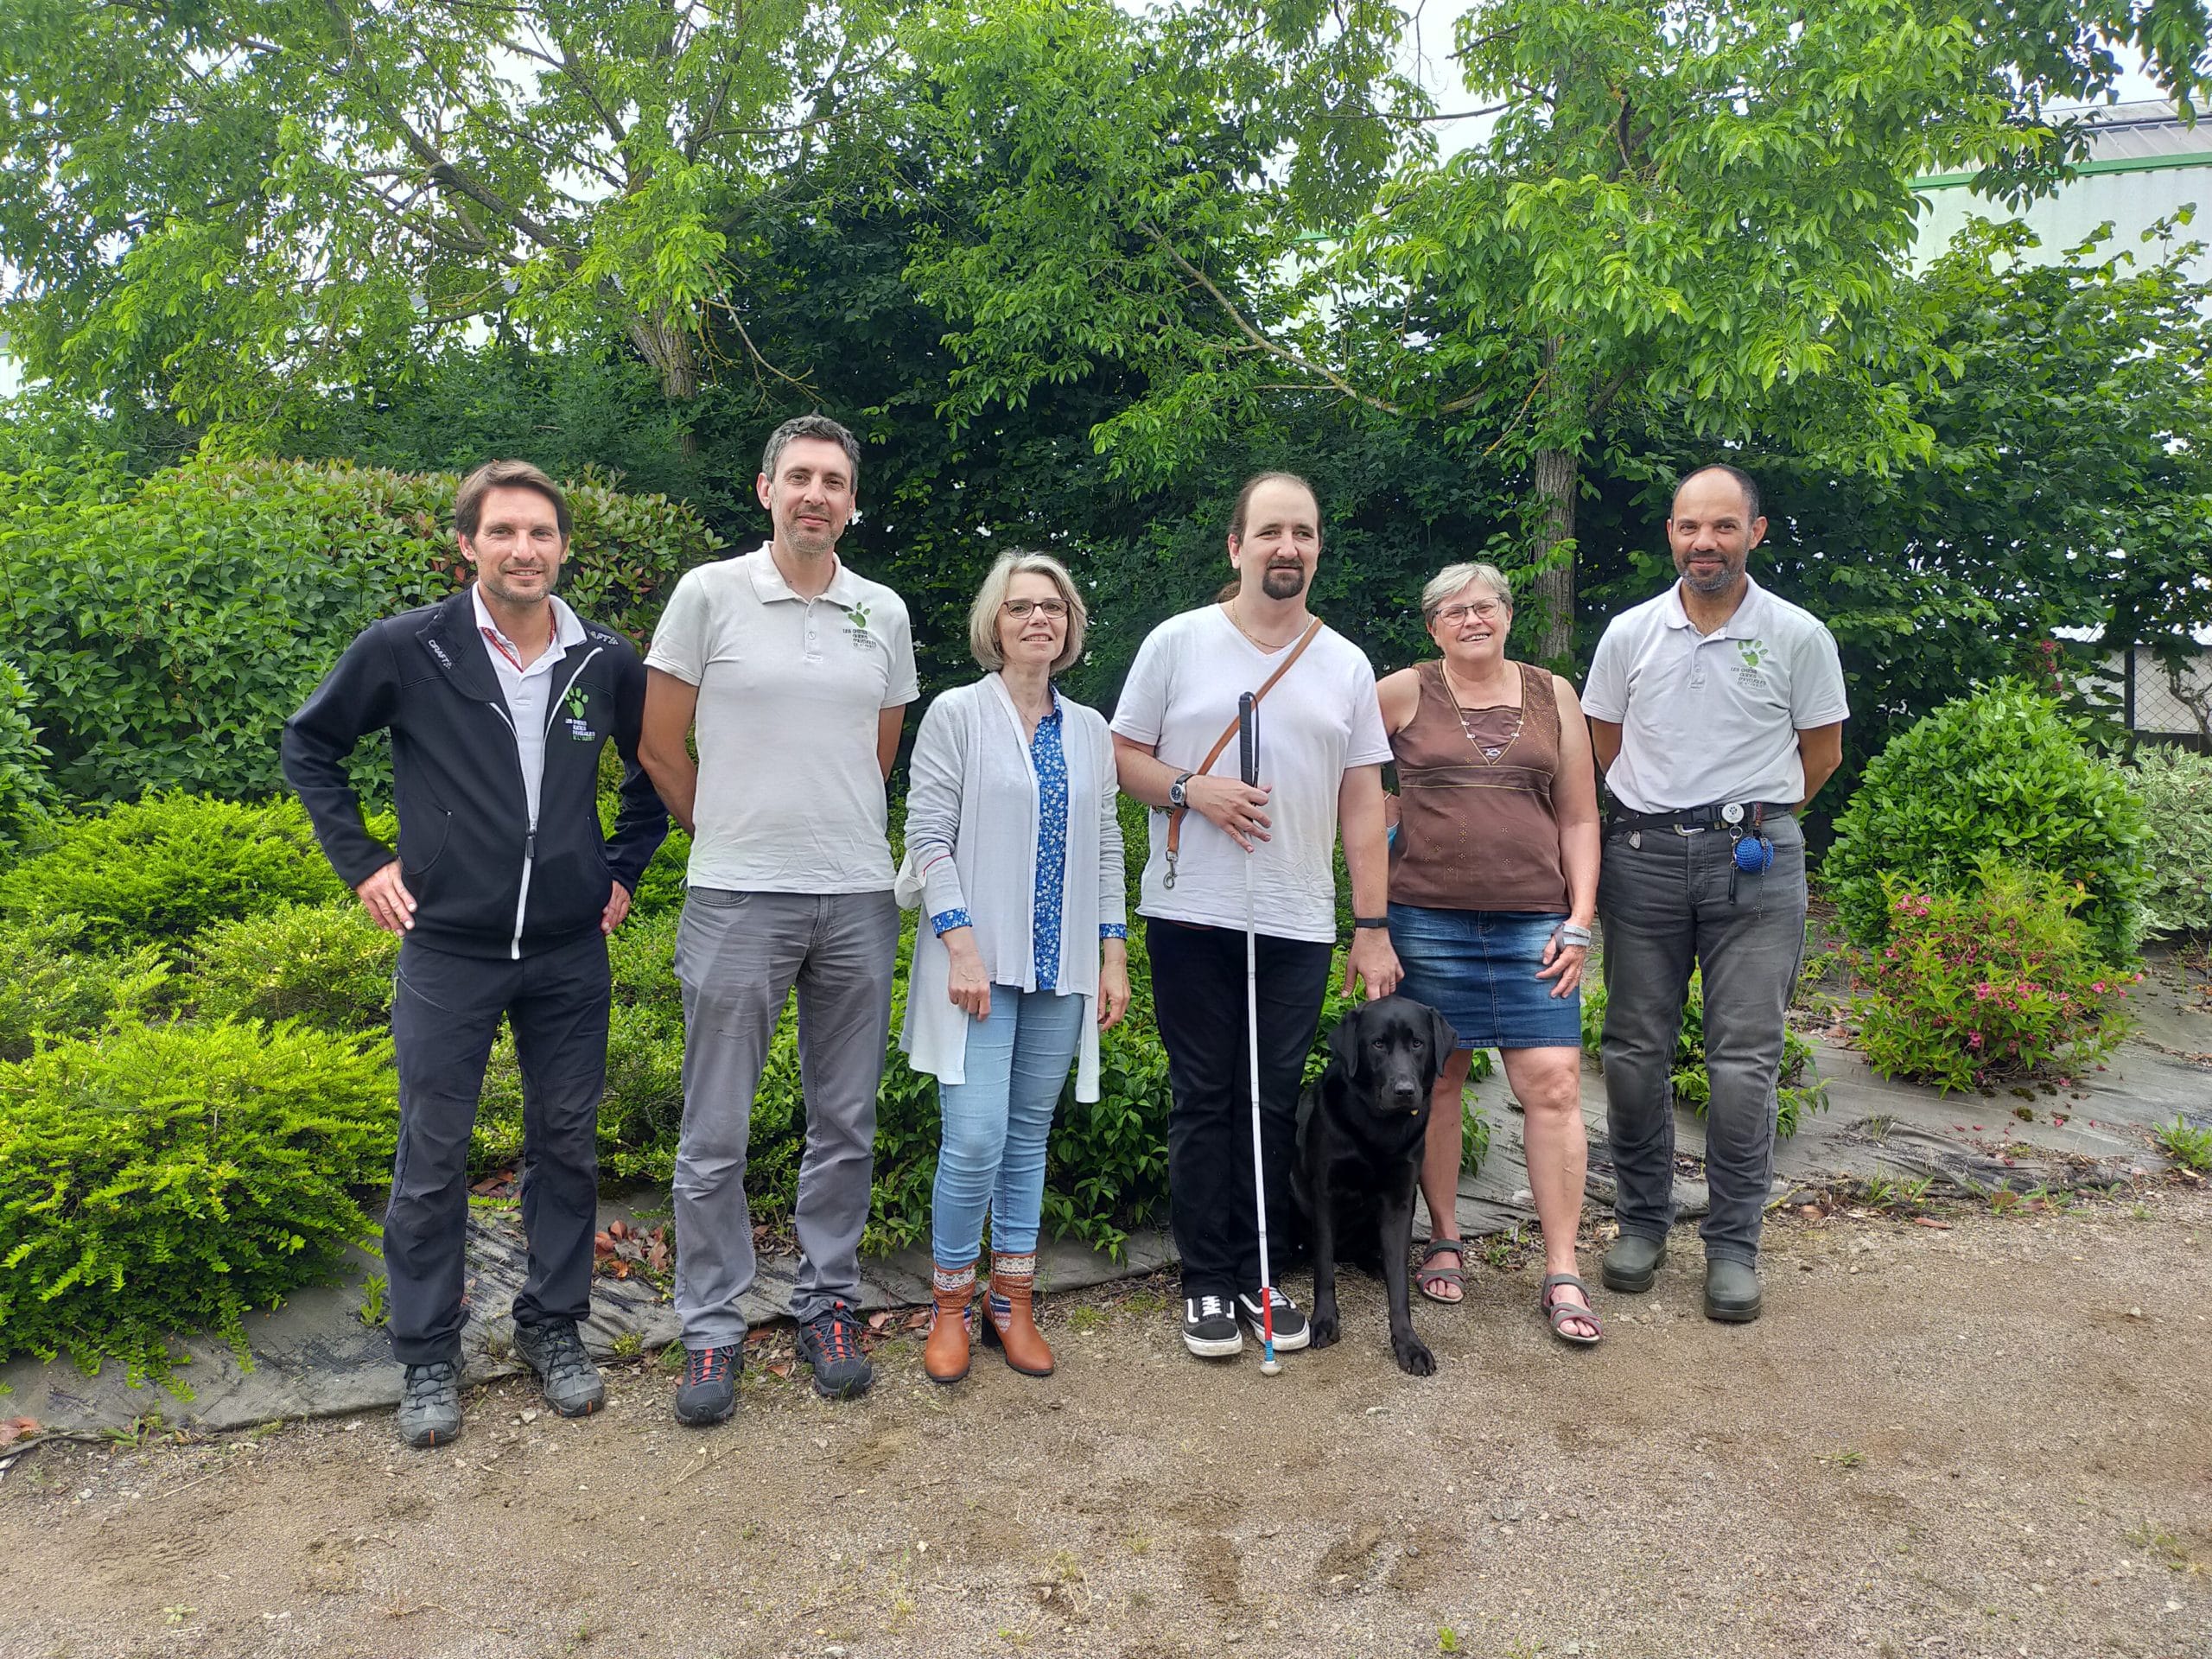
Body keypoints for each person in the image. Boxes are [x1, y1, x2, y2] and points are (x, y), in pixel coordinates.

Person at [283, 460, 667, 1448]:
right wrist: (365, 862)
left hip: (570, 951)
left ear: (564, 546)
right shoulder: (409, 650)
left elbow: (656, 772)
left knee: (567, 1146)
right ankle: (425, 1357)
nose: (523, 550)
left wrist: (619, 869)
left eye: (540, 533)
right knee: (434, 1154)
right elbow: (309, 746)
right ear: (467, 545)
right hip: (447, 946)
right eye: (502, 533)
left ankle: (553, 1327)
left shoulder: (604, 660)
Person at [639, 414, 918, 1424]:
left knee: (843, 1121)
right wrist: (728, 835)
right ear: (765, 489)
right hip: (735, 897)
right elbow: (661, 745)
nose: (816, 494)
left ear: (852, 501)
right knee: (714, 1130)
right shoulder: (708, 593)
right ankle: (711, 1331)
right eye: (798, 476)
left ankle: (827, 1304)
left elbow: (875, 754)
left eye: (833, 481)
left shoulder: (879, 611)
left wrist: (822, 832)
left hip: (854, 895)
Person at [1110, 472, 1400, 1362]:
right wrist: (1195, 790)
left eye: (1304, 533)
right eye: (1271, 531)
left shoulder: (1344, 663)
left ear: (1317, 549)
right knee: (1204, 1096)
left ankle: (1257, 1271)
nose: (1288, 547)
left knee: (1271, 1099)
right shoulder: (1177, 643)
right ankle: (1205, 1278)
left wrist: (1372, 922)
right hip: (1192, 909)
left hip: (1296, 917)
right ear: (1235, 546)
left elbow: (1362, 800)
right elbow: (1122, 756)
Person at [1580, 463, 1847, 1323]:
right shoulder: (1629, 634)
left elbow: (1822, 753)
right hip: (1645, 855)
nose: (1705, 542)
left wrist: (1752, 814)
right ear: (1670, 534)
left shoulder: (1798, 635)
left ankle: (1733, 1244)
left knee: (1741, 1065)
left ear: (1755, 534)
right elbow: (1604, 740)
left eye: (1723, 527)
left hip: (1755, 861)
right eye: (1690, 526)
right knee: (1630, 1052)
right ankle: (1641, 1223)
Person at [899, 552, 1133, 1384]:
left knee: (1029, 1135)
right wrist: (960, 944)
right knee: (973, 1139)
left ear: (1070, 626)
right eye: (1021, 607)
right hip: (976, 965)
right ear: (992, 624)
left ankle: (1014, 1302)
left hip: (1063, 966)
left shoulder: (1090, 729)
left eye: (1054, 608)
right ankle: (951, 1304)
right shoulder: (956, 715)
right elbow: (927, 836)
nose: (1040, 619)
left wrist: (1113, 954)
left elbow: (1106, 845)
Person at [1377, 563, 1605, 1344]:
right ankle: (1445, 1237)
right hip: (1426, 921)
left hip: (1533, 924)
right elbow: (1344, 777)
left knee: (1553, 1083)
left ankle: (1563, 1266)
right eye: (1452, 611)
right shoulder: (1403, 691)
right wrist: (1384, 830)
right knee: (1436, 1082)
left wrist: (1580, 917)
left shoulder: (1554, 694)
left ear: (1508, 615)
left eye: (1485, 606)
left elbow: (1578, 816)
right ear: (1432, 626)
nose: (1472, 619)